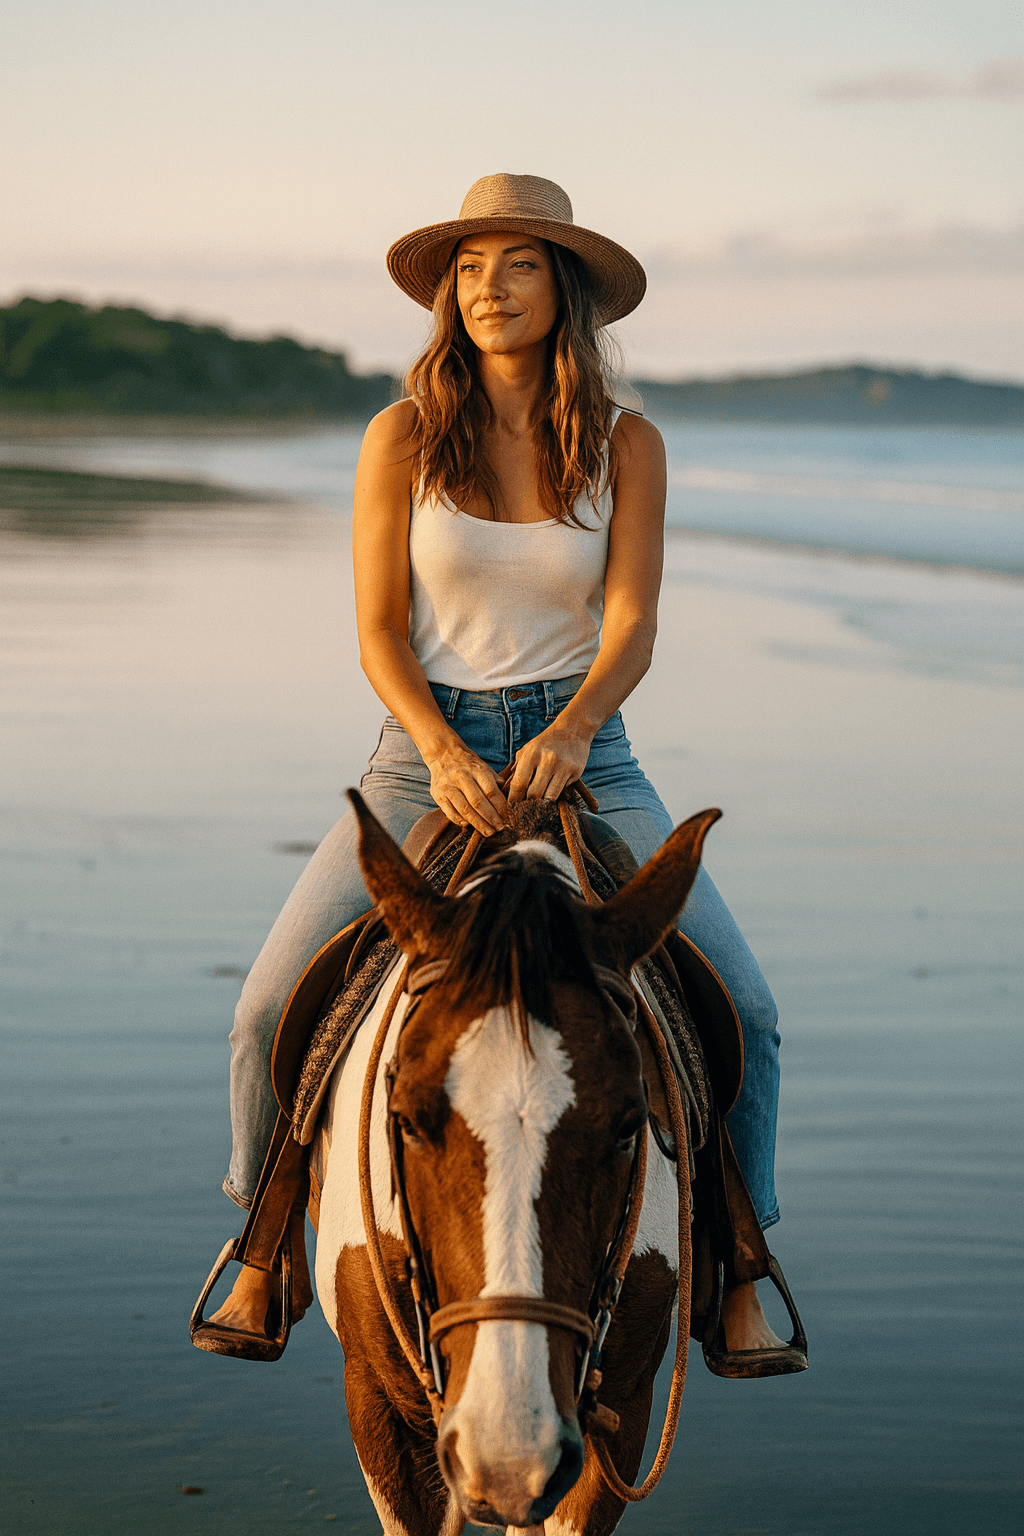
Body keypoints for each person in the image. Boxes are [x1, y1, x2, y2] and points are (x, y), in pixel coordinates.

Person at [209, 173, 789, 1364]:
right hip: (424, 751)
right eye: (469, 268)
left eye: (517, 264)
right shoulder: (403, 435)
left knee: (750, 1011)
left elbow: (629, 625)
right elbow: (378, 630)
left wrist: (573, 729)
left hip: (589, 750)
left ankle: (739, 1265)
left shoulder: (630, 443)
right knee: (269, 1001)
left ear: (563, 287)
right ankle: (264, 1252)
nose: (488, 288)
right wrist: (435, 745)